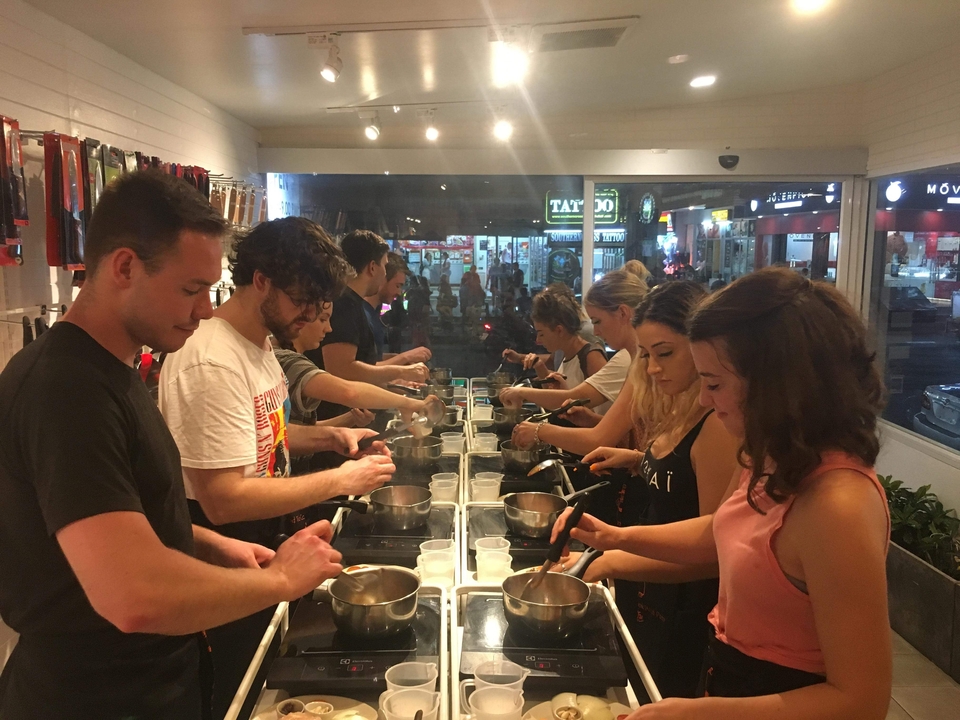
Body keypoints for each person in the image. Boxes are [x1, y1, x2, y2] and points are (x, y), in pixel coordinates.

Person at [0, 172, 344, 719]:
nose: (206, 310)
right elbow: (133, 594)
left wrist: (204, 543)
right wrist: (281, 580)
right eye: (191, 289)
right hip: (94, 698)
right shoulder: (66, 390)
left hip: (150, 683)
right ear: (124, 268)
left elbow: (121, 518)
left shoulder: (112, 371)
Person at [556, 268, 892, 719]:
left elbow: (860, 700)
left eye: (714, 384)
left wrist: (699, 713)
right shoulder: (770, 456)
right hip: (729, 673)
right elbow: (723, 531)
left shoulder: (838, 505)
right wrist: (612, 537)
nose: (703, 401)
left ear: (778, 382)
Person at [159, 217, 395, 718]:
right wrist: (341, 479)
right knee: (234, 692)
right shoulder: (211, 360)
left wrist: (330, 436)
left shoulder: (259, 344)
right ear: (261, 279)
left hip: (265, 546)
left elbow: (260, 440)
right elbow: (223, 497)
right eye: (302, 300)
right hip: (225, 558)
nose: (310, 314)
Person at [552, 282, 741, 698]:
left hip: (684, 601)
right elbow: (684, 477)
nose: (653, 368)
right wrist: (638, 461)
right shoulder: (680, 405)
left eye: (665, 353)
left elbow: (712, 552)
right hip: (650, 580)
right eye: (646, 355)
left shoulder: (717, 426)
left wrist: (610, 559)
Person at [276, 304, 435, 474]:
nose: (329, 329)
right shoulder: (288, 361)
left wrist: (349, 420)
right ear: (299, 319)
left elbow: (294, 431)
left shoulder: (291, 359)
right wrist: (408, 403)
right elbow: (349, 391)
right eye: (323, 319)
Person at [311, 230, 429, 424]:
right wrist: (401, 371)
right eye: (384, 265)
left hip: (352, 419)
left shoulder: (353, 303)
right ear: (372, 267)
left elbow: (363, 363)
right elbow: (341, 370)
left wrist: (395, 389)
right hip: (333, 420)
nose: (384, 273)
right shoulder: (343, 304)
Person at [501, 270, 646, 417]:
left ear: (623, 313)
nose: (596, 332)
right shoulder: (630, 358)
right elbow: (615, 430)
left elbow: (602, 433)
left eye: (597, 321)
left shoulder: (626, 360)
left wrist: (521, 394)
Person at [501, 283, 608, 393]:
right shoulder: (567, 353)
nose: (538, 340)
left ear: (559, 330)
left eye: (541, 334)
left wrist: (522, 393)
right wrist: (536, 366)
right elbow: (562, 397)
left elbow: (600, 401)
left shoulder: (590, 353)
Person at [363, 251, 431, 365]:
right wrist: (404, 358)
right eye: (397, 285)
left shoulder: (372, 313)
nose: (399, 292)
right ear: (382, 278)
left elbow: (371, 359)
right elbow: (355, 369)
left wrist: (405, 360)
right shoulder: (362, 313)